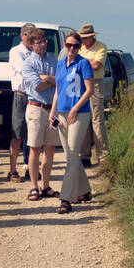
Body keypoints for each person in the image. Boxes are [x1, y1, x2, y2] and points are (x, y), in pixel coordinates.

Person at [51, 31, 94, 213]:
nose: (71, 49)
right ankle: (84, 190)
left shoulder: (83, 63)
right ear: (64, 46)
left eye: (75, 46)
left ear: (79, 47)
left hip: (79, 113)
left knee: (71, 154)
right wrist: (52, 111)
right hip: (62, 112)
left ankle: (66, 198)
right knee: (71, 154)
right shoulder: (60, 64)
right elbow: (58, 90)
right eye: (68, 45)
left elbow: (89, 90)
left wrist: (76, 109)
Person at [19, 28, 58, 201]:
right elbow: (37, 86)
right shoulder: (28, 63)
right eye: (38, 42)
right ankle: (34, 186)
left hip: (53, 109)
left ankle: (46, 185)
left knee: (50, 149)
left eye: (44, 41)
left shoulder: (54, 61)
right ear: (31, 44)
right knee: (34, 148)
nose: (42, 45)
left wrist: (47, 78)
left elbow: (60, 83)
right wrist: (50, 80)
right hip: (36, 108)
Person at [6, 22, 38, 182]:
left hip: (35, 95)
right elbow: (26, 70)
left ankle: (31, 168)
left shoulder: (35, 52)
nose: (32, 38)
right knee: (17, 133)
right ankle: (12, 170)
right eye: (29, 35)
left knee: (34, 134)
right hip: (21, 94)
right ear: (22, 35)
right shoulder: (16, 51)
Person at [78, 23, 110, 162]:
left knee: (97, 120)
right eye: (82, 38)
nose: (83, 41)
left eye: (86, 38)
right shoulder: (78, 47)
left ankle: (103, 156)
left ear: (92, 37)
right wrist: (88, 62)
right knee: (83, 119)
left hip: (96, 83)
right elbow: (74, 63)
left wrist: (82, 63)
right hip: (81, 83)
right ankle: (85, 155)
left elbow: (97, 65)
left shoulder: (101, 46)